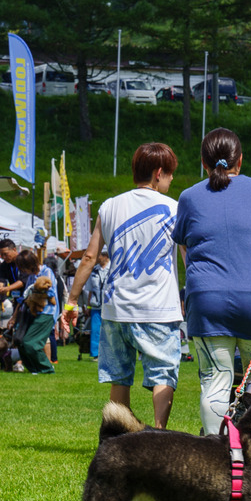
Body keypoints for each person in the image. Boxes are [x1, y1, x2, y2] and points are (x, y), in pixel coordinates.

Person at [170, 128, 251, 435]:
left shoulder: (189, 197)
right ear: (241, 160)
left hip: (208, 299)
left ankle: (216, 452)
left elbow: (184, 243)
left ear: (202, 162)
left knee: (215, 379)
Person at [62, 144, 181, 429]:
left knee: (119, 376)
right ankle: (158, 434)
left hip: (116, 308)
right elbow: (190, 258)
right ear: (159, 173)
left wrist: (71, 301)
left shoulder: (110, 205)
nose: (172, 179)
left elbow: (90, 257)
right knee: (163, 375)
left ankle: (121, 439)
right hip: (158, 308)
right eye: (170, 174)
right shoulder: (175, 209)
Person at [13, 249, 59, 374]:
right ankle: (34, 368)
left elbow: (50, 292)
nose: (23, 271)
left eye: (23, 268)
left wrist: (37, 291)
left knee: (31, 343)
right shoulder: (31, 276)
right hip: (32, 311)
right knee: (21, 342)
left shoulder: (47, 272)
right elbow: (26, 295)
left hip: (46, 312)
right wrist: (15, 315)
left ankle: (47, 368)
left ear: (30, 264)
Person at [82, 251, 109, 359]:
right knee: (95, 330)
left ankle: (108, 353)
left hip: (109, 305)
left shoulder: (112, 268)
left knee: (109, 331)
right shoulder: (94, 270)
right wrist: (88, 306)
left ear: (105, 256)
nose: (97, 258)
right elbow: (90, 290)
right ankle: (95, 354)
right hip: (96, 304)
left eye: (99, 256)